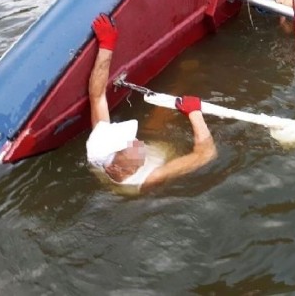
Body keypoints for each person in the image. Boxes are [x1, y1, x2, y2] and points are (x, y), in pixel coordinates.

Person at [85, 13, 217, 192]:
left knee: (167, 103)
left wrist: (106, 45)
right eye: (128, 146)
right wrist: (195, 114)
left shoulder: (100, 148)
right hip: (167, 157)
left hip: (150, 153)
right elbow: (207, 155)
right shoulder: (151, 177)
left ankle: (183, 78)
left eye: (130, 140)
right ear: (114, 168)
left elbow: (97, 95)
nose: (137, 142)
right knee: (177, 112)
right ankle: (187, 80)